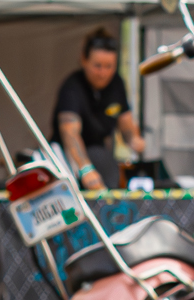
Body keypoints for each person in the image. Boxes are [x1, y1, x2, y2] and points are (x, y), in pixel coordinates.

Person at [53, 29, 145, 191]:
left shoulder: (117, 84)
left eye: (109, 66)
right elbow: (70, 133)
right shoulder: (72, 87)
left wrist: (134, 140)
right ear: (84, 59)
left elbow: (126, 123)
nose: (103, 73)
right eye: (98, 66)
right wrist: (86, 169)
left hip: (101, 157)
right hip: (66, 161)